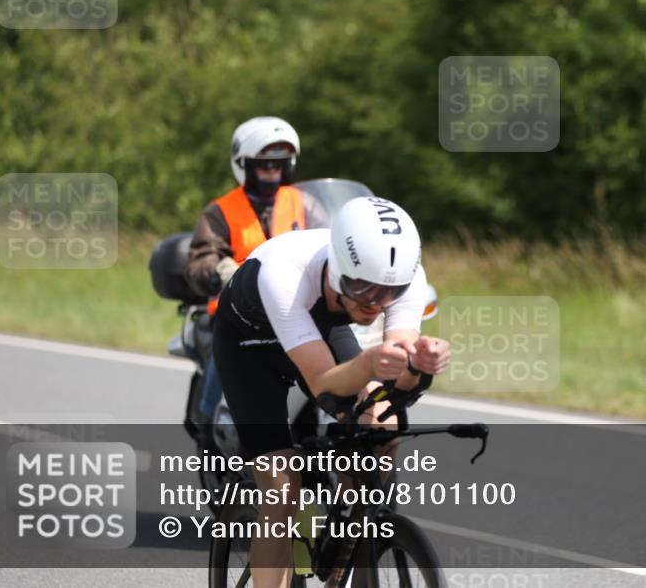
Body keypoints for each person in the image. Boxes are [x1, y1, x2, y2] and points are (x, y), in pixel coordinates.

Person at [212, 196, 450, 588]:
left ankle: (358, 540)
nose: (374, 305)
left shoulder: (401, 277)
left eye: (389, 294)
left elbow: (396, 378)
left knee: (382, 424)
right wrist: (373, 364)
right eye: (361, 288)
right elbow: (325, 383)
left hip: (320, 328)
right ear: (338, 267)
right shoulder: (283, 273)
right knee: (282, 485)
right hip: (249, 346)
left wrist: (420, 364)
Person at [185, 116, 325, 423]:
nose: (272, 172)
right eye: (265, 165)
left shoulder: (306, 204)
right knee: (223, 359)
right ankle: (210, 427)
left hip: (298, 308)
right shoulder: (220, 211)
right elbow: (201, 256)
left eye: (279, 164)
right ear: (244, 165)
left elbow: (332, 244)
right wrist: (222, 270)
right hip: (236, 312)